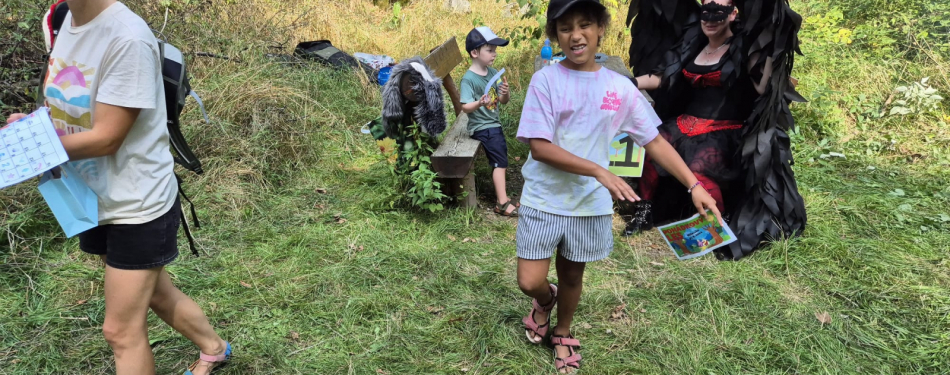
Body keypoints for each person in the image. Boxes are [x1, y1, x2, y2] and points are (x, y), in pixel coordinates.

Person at [5, 1, 230, 374]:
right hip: (92, 195)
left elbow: (108, 137)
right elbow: (72, 107)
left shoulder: (126, 37)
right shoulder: (65, 19)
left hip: (136, 203)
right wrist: (32, 126)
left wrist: (23, 151)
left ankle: (214, 348)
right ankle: (215, 348)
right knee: (155, 291)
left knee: (121, 331)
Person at [514, 0, 721, 372]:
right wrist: (599, 171)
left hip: (589, 203)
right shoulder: (545, 80)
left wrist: (694, 185)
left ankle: (562, 330)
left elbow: (654, 141)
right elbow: (539, 147)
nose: (576, 35)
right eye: (565, 29)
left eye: (585, 25)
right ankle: (544, 301)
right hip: (543, 197)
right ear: (555, 36)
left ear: (600, 30)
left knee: (573, 273)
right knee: (529, 280)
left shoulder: (618, 87)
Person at [625, 0, 807, 260]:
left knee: (699, 166)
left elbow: (760, 88)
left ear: (733, 14)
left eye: (718, 12)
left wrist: (773, 57)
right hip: (683, 124)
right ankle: (645, 212)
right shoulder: (694, 43)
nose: (710, 19)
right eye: (705, 12)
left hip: (724, 130)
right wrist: (629, 82)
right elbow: (664, 76)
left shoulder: (743, 47)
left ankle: (711, 228)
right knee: (650, 148)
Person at [459, 26, 517, 216]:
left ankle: (503, 199)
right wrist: (479, 103)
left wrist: (505, 94)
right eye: (490, 50)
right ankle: (502, 202)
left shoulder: (492, 73)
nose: (494, 54)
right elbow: (465, 107)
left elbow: (502, 101)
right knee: (500, 161)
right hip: (483, 127)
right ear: (474, 52)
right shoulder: (469, 79)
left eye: (495, 50)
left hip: (493, 124)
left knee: (501, 157)